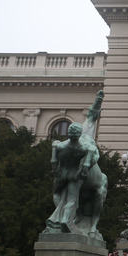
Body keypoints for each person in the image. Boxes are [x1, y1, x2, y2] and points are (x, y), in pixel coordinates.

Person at [44, 92, 107, 236]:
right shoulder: (85, 143)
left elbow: (54, 156)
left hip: (63, 173)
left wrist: (55, 167)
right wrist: (85, 167)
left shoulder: (62, 145)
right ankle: (65, 219)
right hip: (75, 175)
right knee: (71, 199)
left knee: (57, 193)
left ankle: (61, 216)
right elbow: (91, 157)